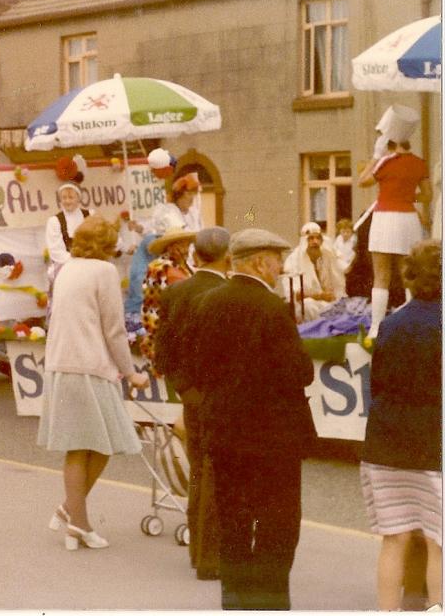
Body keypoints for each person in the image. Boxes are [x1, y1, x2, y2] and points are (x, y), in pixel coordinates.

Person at [191, 228, 316, 610]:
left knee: (234, 520)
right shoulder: (271, 308)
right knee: (278, 523)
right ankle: (269, 600)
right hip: (273, 438)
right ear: (260, 262)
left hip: (226, 434)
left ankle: (235, 598)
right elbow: (299, 371)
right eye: (276, 259)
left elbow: (198, 368)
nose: (279, 267)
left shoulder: (208, 302)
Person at [36, 215, 149, 550]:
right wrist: (131, 373)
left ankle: (72, 513)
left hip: (61, 364)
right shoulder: (104, 272)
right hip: (88, 365)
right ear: (106, 243)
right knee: (103, 444)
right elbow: (114, 330)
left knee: (79, 445)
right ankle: (79, 522)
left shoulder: (67, 268)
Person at [360, 239, 442, 611]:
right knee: (437, 541)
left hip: (386, 444)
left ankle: (387, 610)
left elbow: (377, 384)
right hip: (433, 446)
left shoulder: (390, 325)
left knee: (394, 539)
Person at [153, 226, 230, 581]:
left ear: (196, 256)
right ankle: (212, 557)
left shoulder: (175, 294)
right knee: (219, 473)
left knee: (200, 469)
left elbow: (164, 352)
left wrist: (185, 390)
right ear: (227, 257)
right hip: (222, 396)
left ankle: (200, 550)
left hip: (192, 396)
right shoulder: (228, 293)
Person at [358, 124, 431, 338]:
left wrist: (376, 156)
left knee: (381, 275)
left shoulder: (384, 162)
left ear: (390, 144)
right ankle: (412, 323)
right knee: (408, 273)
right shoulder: (419, 163)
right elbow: (427, 196)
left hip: (385, 219)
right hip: (408, 219)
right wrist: (409, 197)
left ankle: (376, 327)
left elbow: (362, 181)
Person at [139, 224, 195, 365]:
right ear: (170, 248)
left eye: (187, 246)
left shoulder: (179, 266)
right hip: (165, 332)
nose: (185, 251)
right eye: (181, 247)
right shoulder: (163, 267)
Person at [282, 222, 346, 321]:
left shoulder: (327, 256)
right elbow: (293, 293)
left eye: (318, 238)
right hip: (305, 305)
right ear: (304, 241)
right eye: (311, 238)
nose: (315, 242)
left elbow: (338, 283)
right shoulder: (294, 260)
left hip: (327, 303)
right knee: (308, 305)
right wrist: (319, 296)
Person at [44, 182, 89, 282]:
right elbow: (56, 251)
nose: (67, 201)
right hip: (65, 270)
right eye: (64, 198)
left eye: (71, 197)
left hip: (90, 268)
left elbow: (102, 237)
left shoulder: (90, 216)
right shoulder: (54, 221)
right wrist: (78, 264)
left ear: (78, 198)